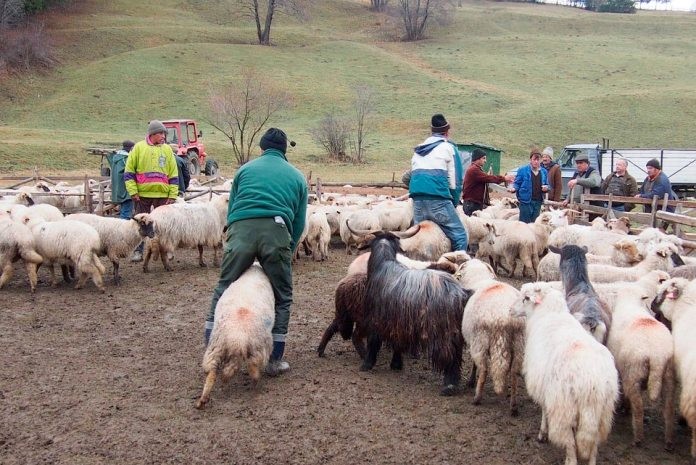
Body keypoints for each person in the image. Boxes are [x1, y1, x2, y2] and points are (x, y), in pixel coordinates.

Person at [205, 127, 307, 376]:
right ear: (284, 151)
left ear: (261, 148)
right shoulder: (297, 176)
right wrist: (288, 249)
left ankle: (212, 348)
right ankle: (273, 359)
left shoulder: (244, 170)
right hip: (276, 231)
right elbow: (300, 221)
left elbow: (231, 209)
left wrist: (233, 236)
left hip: (241, 229)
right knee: (282, 296)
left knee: (225, 285)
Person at [408, 113, 468, 251]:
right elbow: (456, 182)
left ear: (432, 131)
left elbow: (412, 176)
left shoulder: (417, 150)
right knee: (460, 236)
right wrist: (453, 203)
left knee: (419, 236)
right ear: (447, 132)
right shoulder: (449, 148)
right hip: (438, 200)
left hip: (417, 201)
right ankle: (456, 268)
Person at [125, 120, 179, 262]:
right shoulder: (138, 148)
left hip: (163, 195)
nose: (163, 136)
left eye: (164, 133)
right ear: (153, 134)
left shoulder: (167, 150)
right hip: (142, 195)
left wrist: (172, 194)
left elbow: (173, 173)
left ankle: (167, 249)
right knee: (139, 225)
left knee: (166, 225)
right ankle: (138, 251)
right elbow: (129, 172)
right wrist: (133, 192)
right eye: (161, 133)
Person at [461, 148, 514, 216]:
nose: (485, 161)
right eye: (484, 158)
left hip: (473, 203)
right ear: (478, 158)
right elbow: (488, 178)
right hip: (472, 204)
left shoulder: (475, 169)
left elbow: (486, 178)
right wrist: (504, 178)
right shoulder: (474, 170)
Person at [509, 148, 548, 223]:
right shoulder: (523, 170)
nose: (536, 162)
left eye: (538, 160)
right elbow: (517, 183)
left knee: (535, 223)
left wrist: (546, 188)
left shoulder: (544, 172)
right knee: (524, 224)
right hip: (526, 202)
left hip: (538, 202)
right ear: (530, 160)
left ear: (540, 160)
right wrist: (514, 188)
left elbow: (547, 185)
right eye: (534, 159)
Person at [107, 140, 134, 219]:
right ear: (131, 148)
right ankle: (123, 229)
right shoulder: (126, 159)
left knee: (123, 210)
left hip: (118, 188)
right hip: (126, 189)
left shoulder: (116, 158)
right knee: (126, 213)